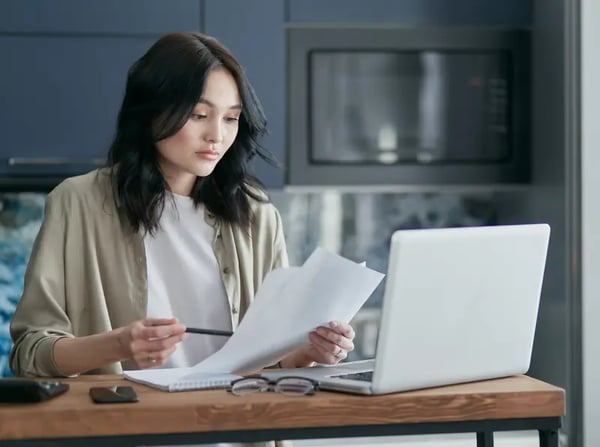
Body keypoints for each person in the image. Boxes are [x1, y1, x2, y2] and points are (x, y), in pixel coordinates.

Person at [9, 32, 355, 378]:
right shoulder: (78, 203)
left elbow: (276, 361)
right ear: (151, 112)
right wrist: (117, 345)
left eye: (231, 118)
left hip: (241, 428)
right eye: (198, 115)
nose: (217, 136)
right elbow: (30, 352)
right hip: (129, 428)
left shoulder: (257, 216)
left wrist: (308, 351)